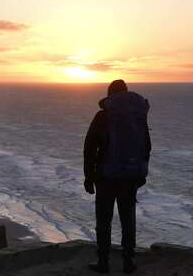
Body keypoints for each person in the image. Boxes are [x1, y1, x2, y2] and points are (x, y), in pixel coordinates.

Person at [83, 79, 151, 274]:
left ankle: (103, 263)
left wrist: (89, 177)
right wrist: (140, 174)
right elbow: (146, 146)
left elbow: (89, 148)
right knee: (128, 222)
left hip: (106, 178)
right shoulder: (138, 118)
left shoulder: (102, 116)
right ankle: (128, 263)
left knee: (103, 222)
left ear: (110, 95)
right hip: (130, 178)